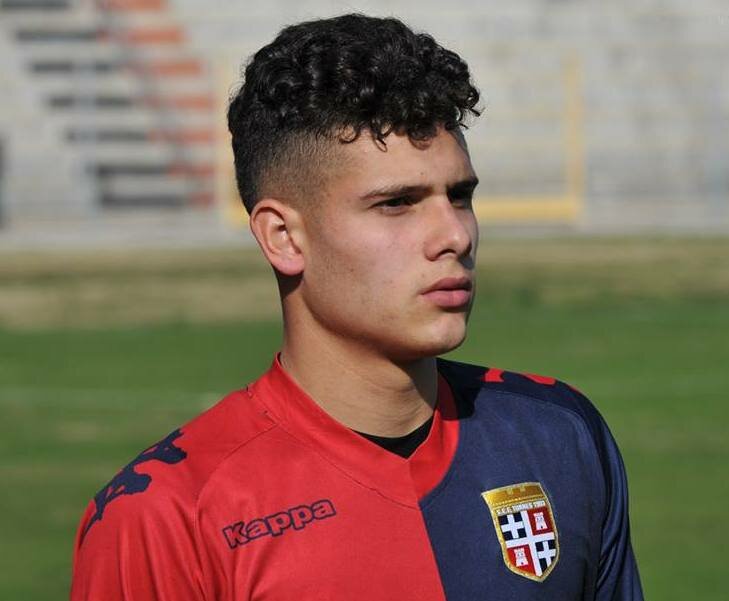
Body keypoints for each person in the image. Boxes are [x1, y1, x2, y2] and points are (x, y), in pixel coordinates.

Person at [70, 13, 643, 600]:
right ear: (284, 238)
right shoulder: (167, 515)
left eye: (460, 196)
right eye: (397, 203)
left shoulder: (559, 437)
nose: (454, 235)